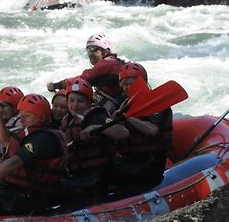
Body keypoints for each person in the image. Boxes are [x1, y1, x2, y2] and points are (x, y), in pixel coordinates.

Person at [0, 94, 68, 216]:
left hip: (31, 196)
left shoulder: (43, 138)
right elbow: (6, 142)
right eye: (20, 115)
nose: (21, 120)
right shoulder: (31, 133)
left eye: (27, 116)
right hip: (16, 190)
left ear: (41, 117)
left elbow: (15, 162)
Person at [59, 80, 128, 209]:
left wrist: (95, 127)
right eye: (71, 100)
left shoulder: (96, 115)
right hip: (78, 173)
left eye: (80, 101)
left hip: (99, 173)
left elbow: (123, 133)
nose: (75, 105)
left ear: (89, 102)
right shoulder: (65, 120)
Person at [108, 62, 173, 195]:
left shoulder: (156, 102)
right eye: (124, 84)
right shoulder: (125, 105)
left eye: (131, 83)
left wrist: (127, 117)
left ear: (143, 82)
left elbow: (153, 130)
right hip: (131, 158)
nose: (127, 87)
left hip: (152, 160)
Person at [47, 34, 126, 113]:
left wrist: (57, 85)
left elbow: (82, 80)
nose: (90, 53)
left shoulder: (108, 63)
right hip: (117, 101)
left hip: (116, 104)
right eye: (88, 49)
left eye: (94, 49)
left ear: (106, 51)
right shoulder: (115, 62)